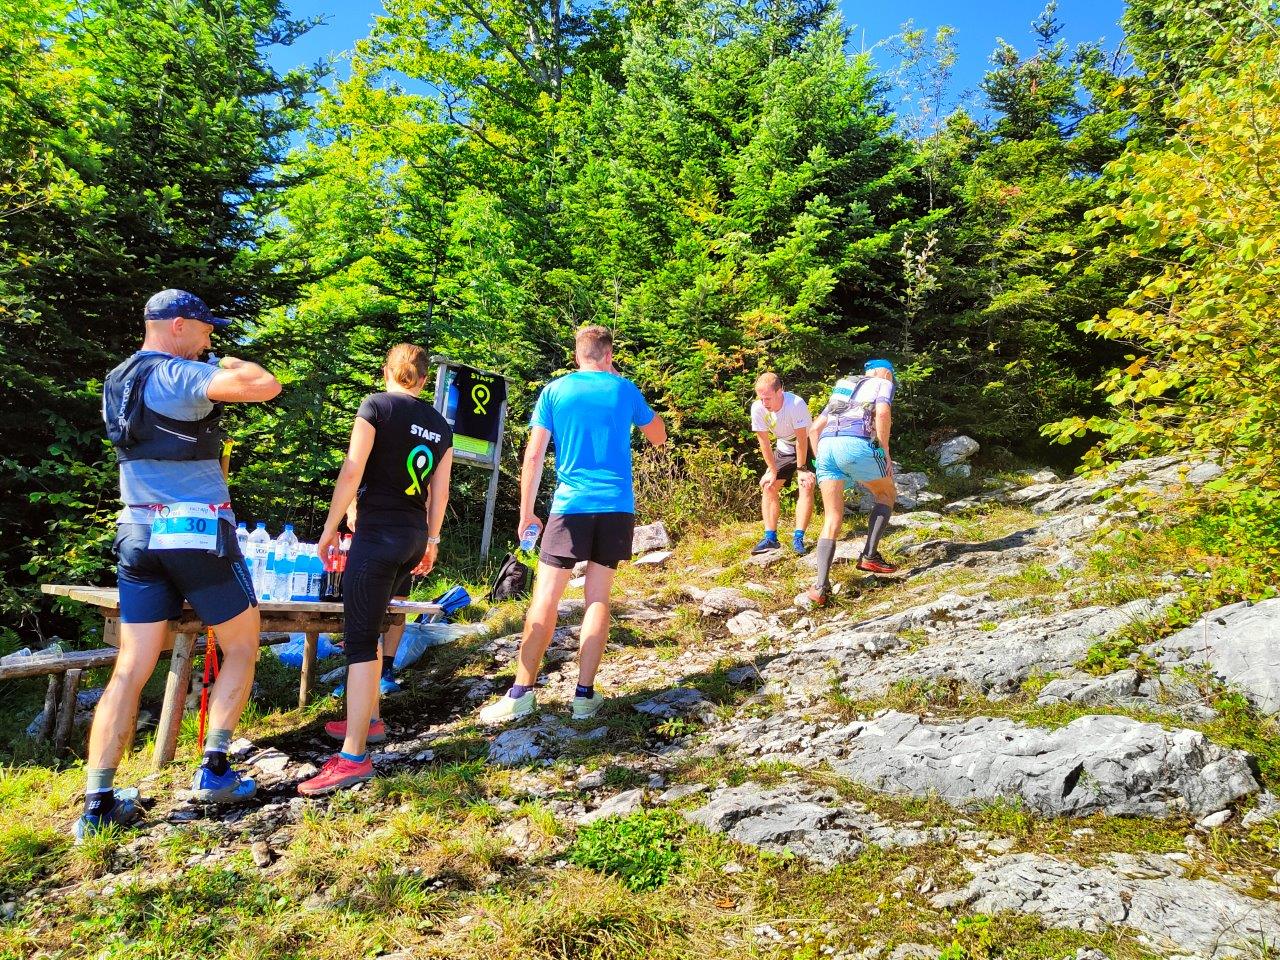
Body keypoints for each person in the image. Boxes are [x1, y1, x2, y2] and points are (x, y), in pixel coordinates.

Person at [79, 289, 281, 840]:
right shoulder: (177, 373)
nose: (209, 340)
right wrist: (234, 363)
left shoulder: (117, 379)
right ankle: (214, 770)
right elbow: (264, 385)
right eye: (205, 329)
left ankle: (97, 802)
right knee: (243, 645)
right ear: (176, 326)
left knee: (130, 666)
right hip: (194, 532)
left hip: (135, 531)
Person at [478, 325, 666, 725]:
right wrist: (621, 385)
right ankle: (583, 696)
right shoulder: (624, 390)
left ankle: (521, 693)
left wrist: (527, 512)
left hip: (570, 505)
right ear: (608, 355)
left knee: (545, 597)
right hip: (616, 507)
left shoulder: (555, 391)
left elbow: (533, 456)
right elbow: (659, 436)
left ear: (577, 354)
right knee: (597, 599)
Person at [299, 344, 453, 796]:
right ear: (423, 379)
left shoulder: (375, 407)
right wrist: (432, 541)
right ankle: (369, 720)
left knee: (361, 640)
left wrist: (330, 526)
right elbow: (439, 491)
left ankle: (353, 757)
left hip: (378, 534)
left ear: (386, 371)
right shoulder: (440, 425)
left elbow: (352, 470)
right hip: (411, 536)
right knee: (380, 623)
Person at [797, 358, 900, 609]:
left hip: (826, 447)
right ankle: (869, 556)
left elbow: (814, 429)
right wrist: (884, 449)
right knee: (886, 494)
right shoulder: (882, 383)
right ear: (886, 372)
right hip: (855, 443)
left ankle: (821, 586)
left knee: (832, 517)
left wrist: (821, 460)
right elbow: (882, 413)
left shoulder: (843, 385)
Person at [748, 372, 815, 555]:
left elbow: (801, 439)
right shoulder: (758, 408)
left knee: (806, 485)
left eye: (768, 398)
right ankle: (770, 538)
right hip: (784, 447)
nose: (764, 403)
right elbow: (763, 441)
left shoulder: (795, 404)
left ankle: (798, 538)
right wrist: (771, 470)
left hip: (807, 445)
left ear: (780, 391)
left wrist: (801, 470)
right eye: (761, 398)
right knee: (768, 486)